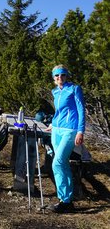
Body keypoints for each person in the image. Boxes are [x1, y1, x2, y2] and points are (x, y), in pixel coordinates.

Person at [47, 65, 85, 213]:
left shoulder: (74, 89)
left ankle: (65, 199)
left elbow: (81, 110)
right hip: (56, 130)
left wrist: (80, 131)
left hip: (70, 130)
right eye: (56, 75)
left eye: (62, 75)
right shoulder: (55, 91)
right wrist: (53, 123)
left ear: (66, 76)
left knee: (57, 163)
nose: (59, 78)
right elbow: (59, 111)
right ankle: (67, 200)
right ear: (53, 77)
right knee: (62, 164)